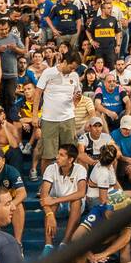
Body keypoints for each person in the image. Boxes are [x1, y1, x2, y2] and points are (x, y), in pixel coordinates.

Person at [35, 50, 80, 180]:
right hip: (49, 119)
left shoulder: (75, 76)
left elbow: (76, 98)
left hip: (68, 119)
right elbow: (37, 93)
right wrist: (34, 116)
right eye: (71, 67)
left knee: (70, 154)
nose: (72, 71)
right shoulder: (48, 73)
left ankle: (69, 182)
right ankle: (46, 183)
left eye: (74, 69)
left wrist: (76, 100)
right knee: (48, 155)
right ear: (65, 62)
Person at [39, 142, 87, 253]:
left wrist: (56, 200)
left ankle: (65, 242)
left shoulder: (80, 169)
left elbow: (81, 193)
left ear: (70, 159)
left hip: (74, 204)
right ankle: (48, 246)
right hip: (57, 204)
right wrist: (50, 215)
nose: (57, 157)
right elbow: (44, 196)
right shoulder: (51, 168)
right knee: (52, 203)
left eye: (61, 155)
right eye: (58, 154)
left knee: (76, 201)